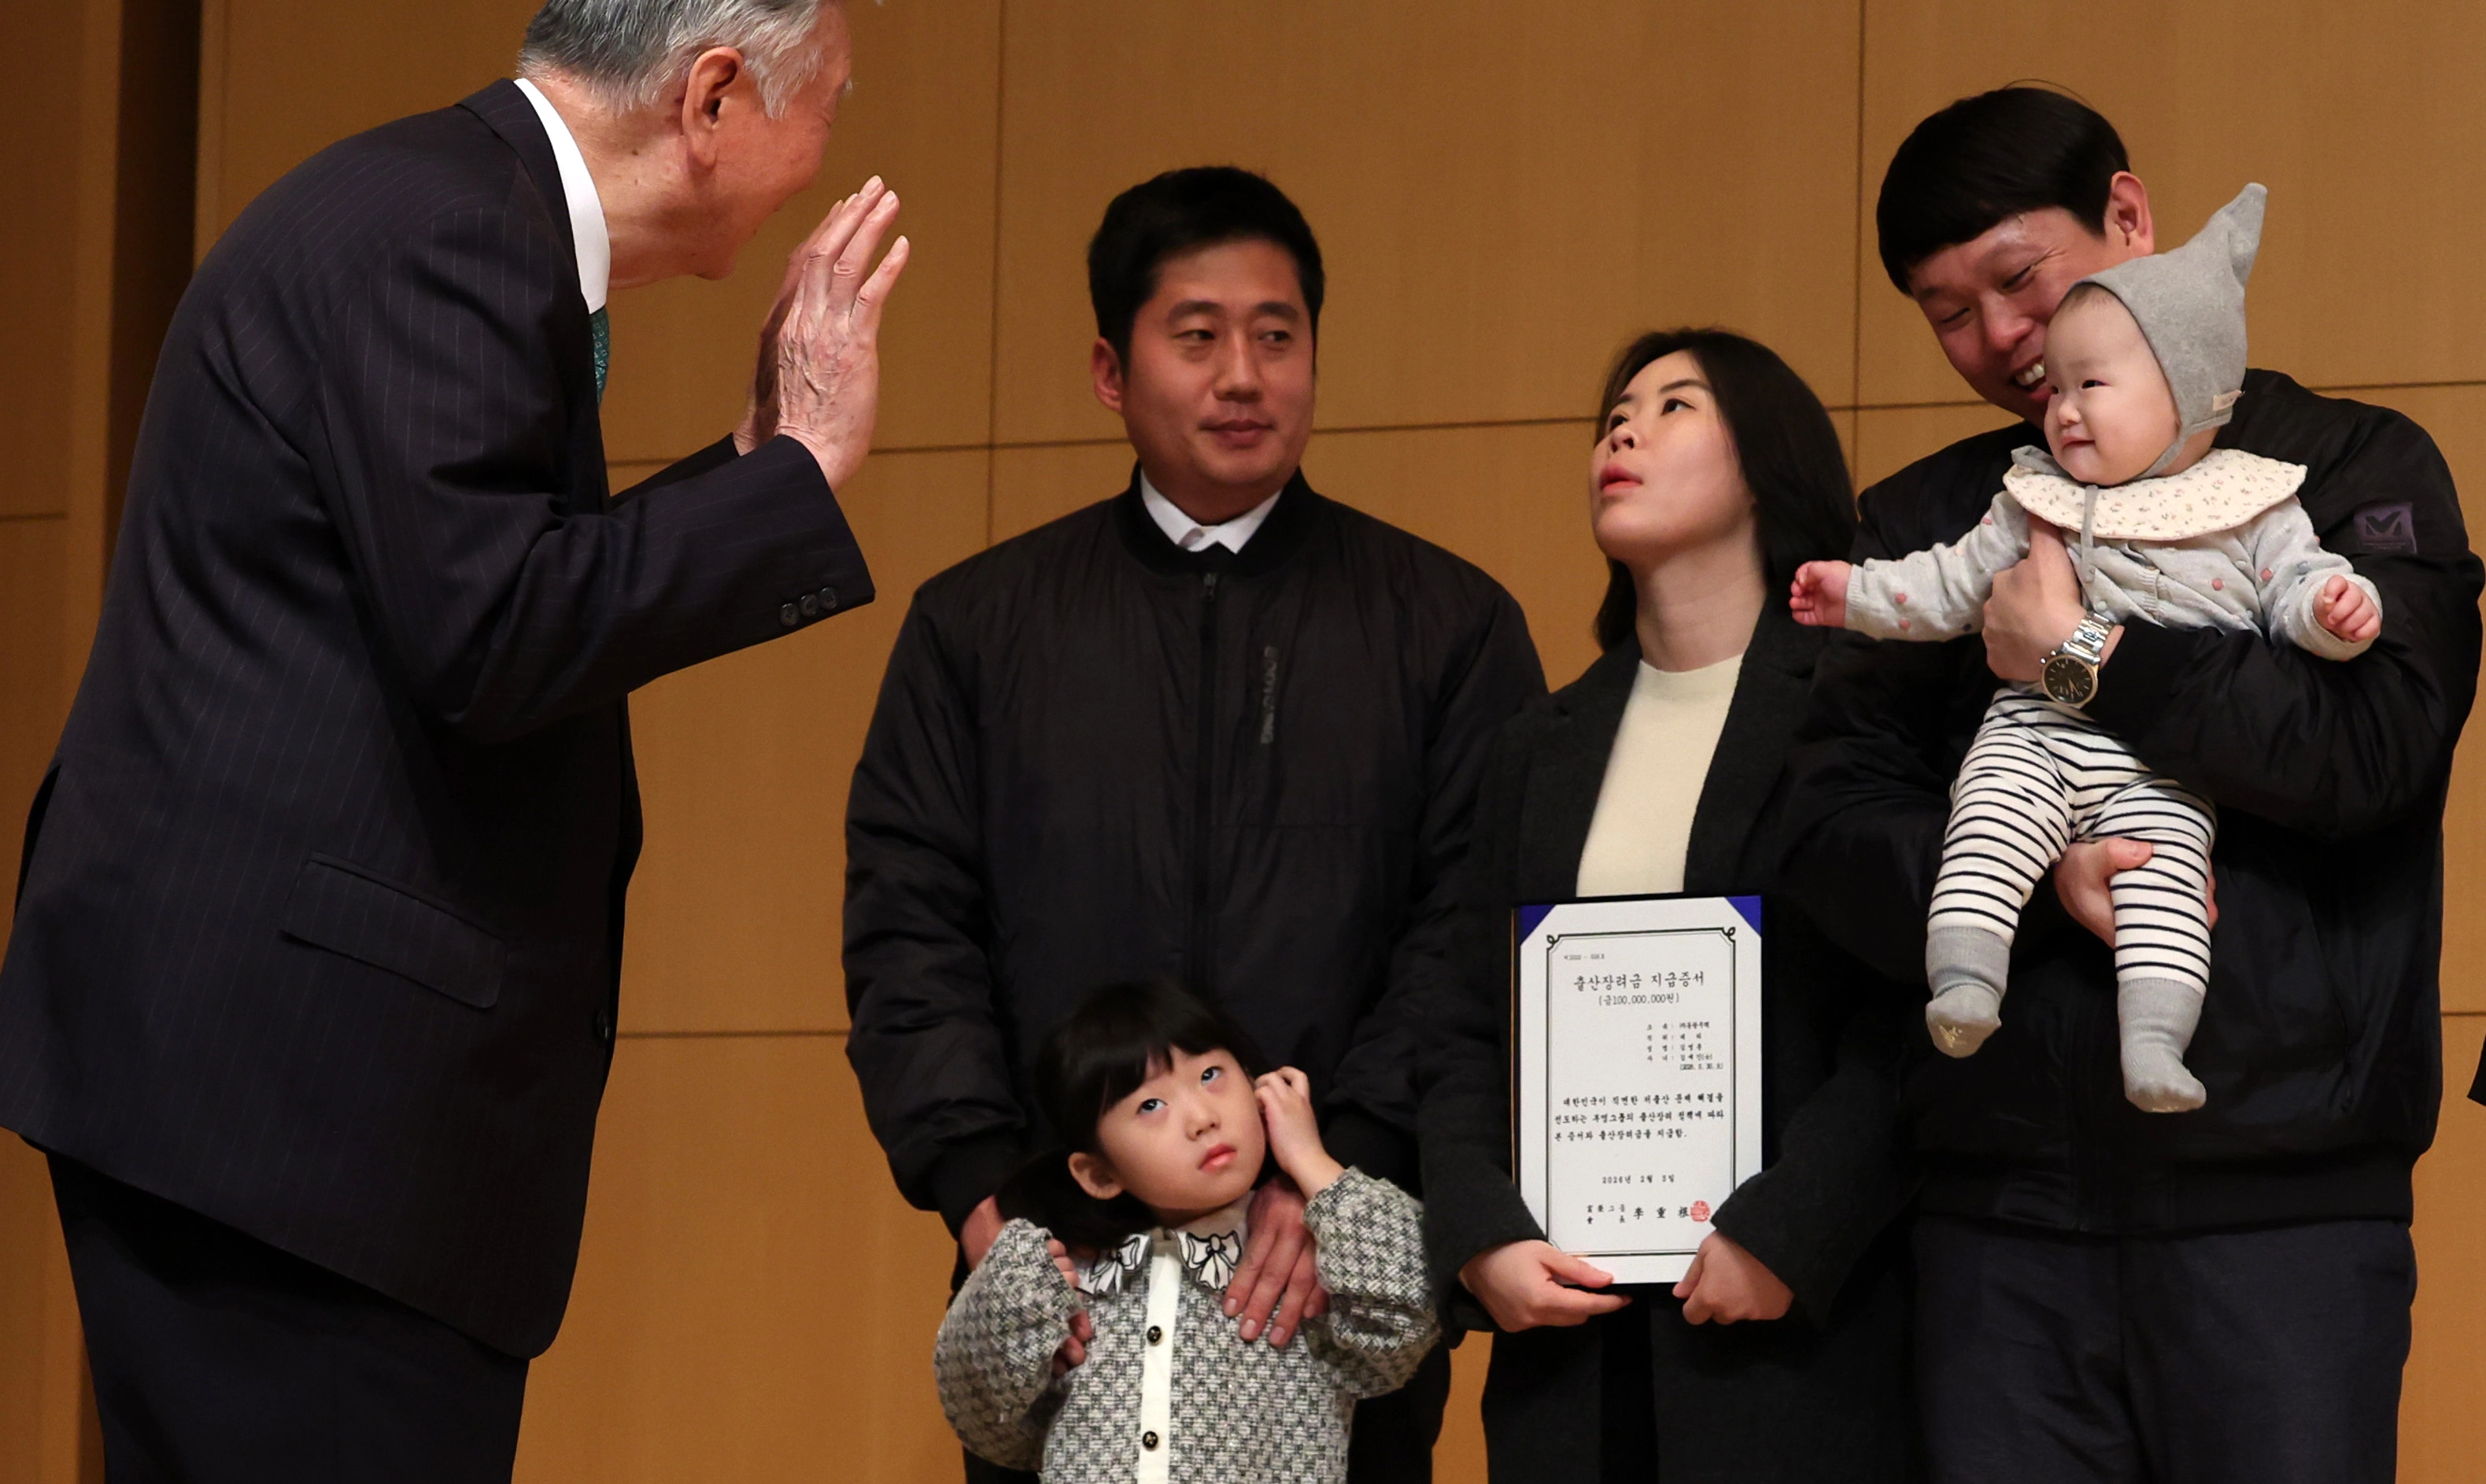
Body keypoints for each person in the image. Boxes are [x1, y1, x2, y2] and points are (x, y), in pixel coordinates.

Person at [0, 0, 907, 1481]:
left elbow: (478, 582)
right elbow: (489, 640)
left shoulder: (450, 212)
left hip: (270, 1106)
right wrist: (794, 485)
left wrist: (744, 471)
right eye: (824, 101)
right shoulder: (447, 234)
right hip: (283, 1115)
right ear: (712, 95)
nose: (831, 148)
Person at [1787, 86, 2483, 1484]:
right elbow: (1824, 830)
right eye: (1945, 310)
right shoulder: (1934, 516)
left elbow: (2371, 753)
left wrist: (2085, 658)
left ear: (2127, 215)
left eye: (2018, 279)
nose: (1996, 340)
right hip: (1995, 1219)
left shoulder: (2348, 467)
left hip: (2282, 1202)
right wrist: (2035, 877)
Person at [844, 165, 1545, 1483]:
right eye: (1198, 334)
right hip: (1061, 1274)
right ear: (1111, 370)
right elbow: (906, 928)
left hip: (1332, 1277)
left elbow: (1471, 930)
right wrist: (989, 1198)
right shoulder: (977, 626)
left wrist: (1334, 1172)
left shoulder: (1447, 623)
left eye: (1276, 335)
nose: (1242, 374)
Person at [1418, 329, 1918, 1483]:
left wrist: (1788, 1231)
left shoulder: (1855, 713)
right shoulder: (1530, 750)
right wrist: (1478, 1234)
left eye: (1673, 406)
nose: (1622, 432)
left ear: (1764, 466)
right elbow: (1455, 1029)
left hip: (1794, 1344)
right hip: (1571, 1362)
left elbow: (1909, 1013)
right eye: (1611, 416)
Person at [1792, 185, 2382, 1111]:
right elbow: (1946, 585)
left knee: (2168, 888)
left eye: (2091, 387)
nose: (2061, 410)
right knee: (1985, 834)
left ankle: (2154, 1047)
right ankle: (1966, 981)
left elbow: (2298, 590)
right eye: (2058, 390)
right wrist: (1855, 594)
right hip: (2029, 732)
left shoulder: (2257, 500)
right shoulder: (2034, 495)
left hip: (2160, 768)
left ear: (2187, 392)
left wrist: (2333, 613)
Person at [935, 980, 1436, 1482]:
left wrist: (1310, 1160)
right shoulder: (1062, 1283)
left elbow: (1412, 1315)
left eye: (1211, 1074)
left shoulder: (1310, 1262)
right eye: (1150, 1106)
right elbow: (984, 1421)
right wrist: (1010, 1291)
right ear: (1099, 1174)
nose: (1201, 1118)